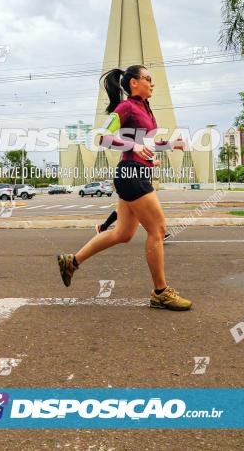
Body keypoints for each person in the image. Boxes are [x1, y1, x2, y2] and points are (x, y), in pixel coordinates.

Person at [57, 65, 191, 311]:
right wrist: (133, 146)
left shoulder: (145, 109)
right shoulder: (126, 107)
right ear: (134, 83)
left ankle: (72, 261)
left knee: (123, 233)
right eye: (148, 78)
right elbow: (104, 137)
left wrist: (170, 145)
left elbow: (145, 145)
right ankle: (160, 292)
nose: (152, 83)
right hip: (130, 174)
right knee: (158, 230)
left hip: (137, 172)